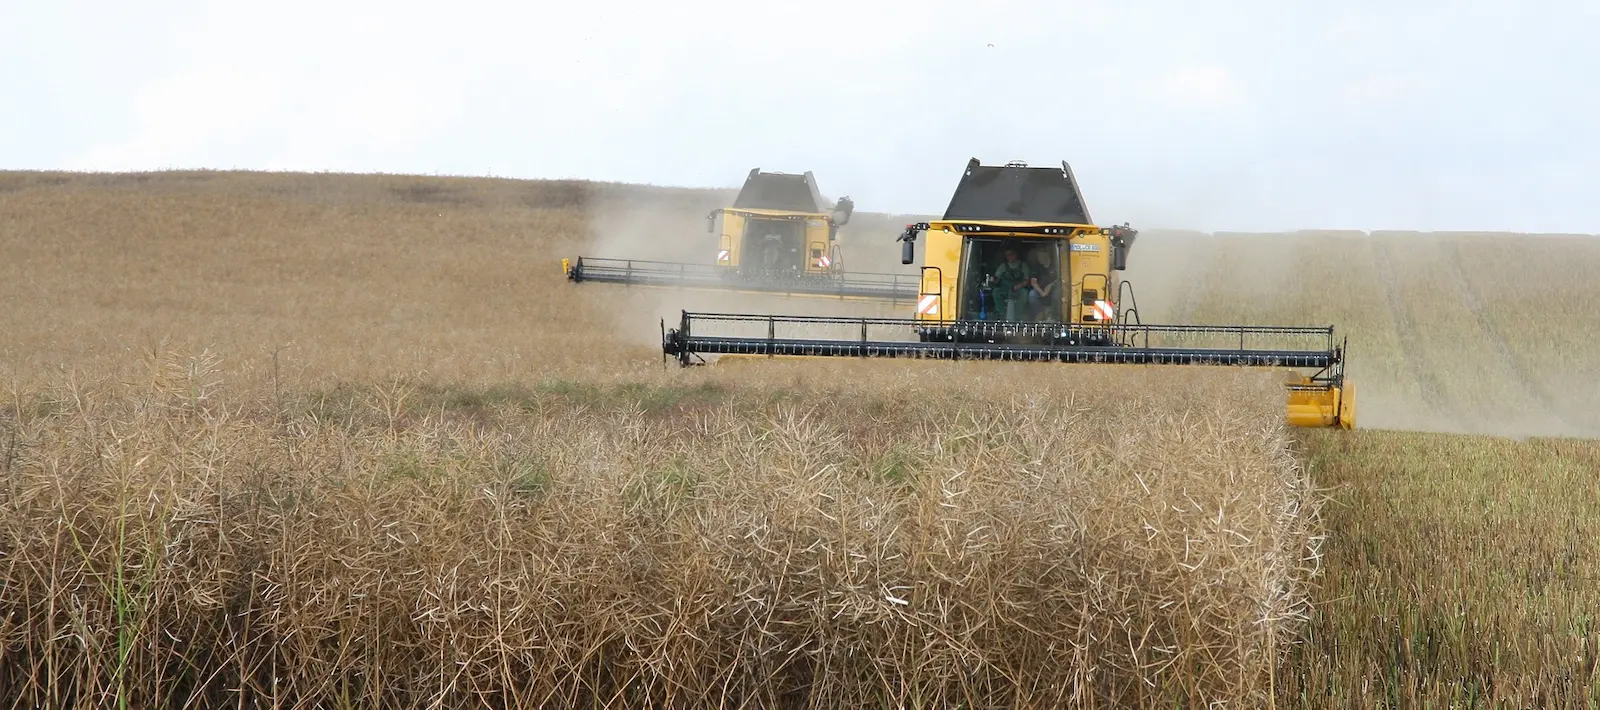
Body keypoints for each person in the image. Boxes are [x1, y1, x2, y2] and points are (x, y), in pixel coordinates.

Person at [990, 246, 1031, 321]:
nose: (1009, 257)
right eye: (1007, 255)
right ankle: (1001, 313)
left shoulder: (1023, 265)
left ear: (1015, 255)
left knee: (1024, 293)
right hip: (1005, 288)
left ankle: (1018, 315)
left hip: (1018, 289)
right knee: (996, 292)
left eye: (1011, 254)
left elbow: (1026, 280)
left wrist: (1018, 286)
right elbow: (996, 277)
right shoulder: (1003, 266)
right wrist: (993, 279)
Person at [1027, 247, 1058, 321]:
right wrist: (1042, 292)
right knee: (1032, 294)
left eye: (1041, 256)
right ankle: (1039, 315)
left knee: (1057, 294)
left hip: (1054, 289)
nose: (1040, 258)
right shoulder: (1037, 267)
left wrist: (1051, 285)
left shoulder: (1056, 265)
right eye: (1038, 256)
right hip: (1041, 290)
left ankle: (1054, 315)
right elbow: (1033, 282)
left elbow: (1060, 278)